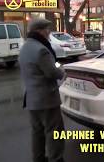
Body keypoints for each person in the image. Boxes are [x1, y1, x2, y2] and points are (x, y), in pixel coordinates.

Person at [19, 19, 66, 162]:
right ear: (39, 30)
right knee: (54, 132)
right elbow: (53, 72)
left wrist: (56, 65)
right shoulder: (41, 49)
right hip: (47, 99)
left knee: (37, 132)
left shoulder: (25, 47)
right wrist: (62, 70)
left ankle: (38, 158)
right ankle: (55, 159)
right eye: (47, 29)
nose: (49, 32)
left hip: (32, 99)